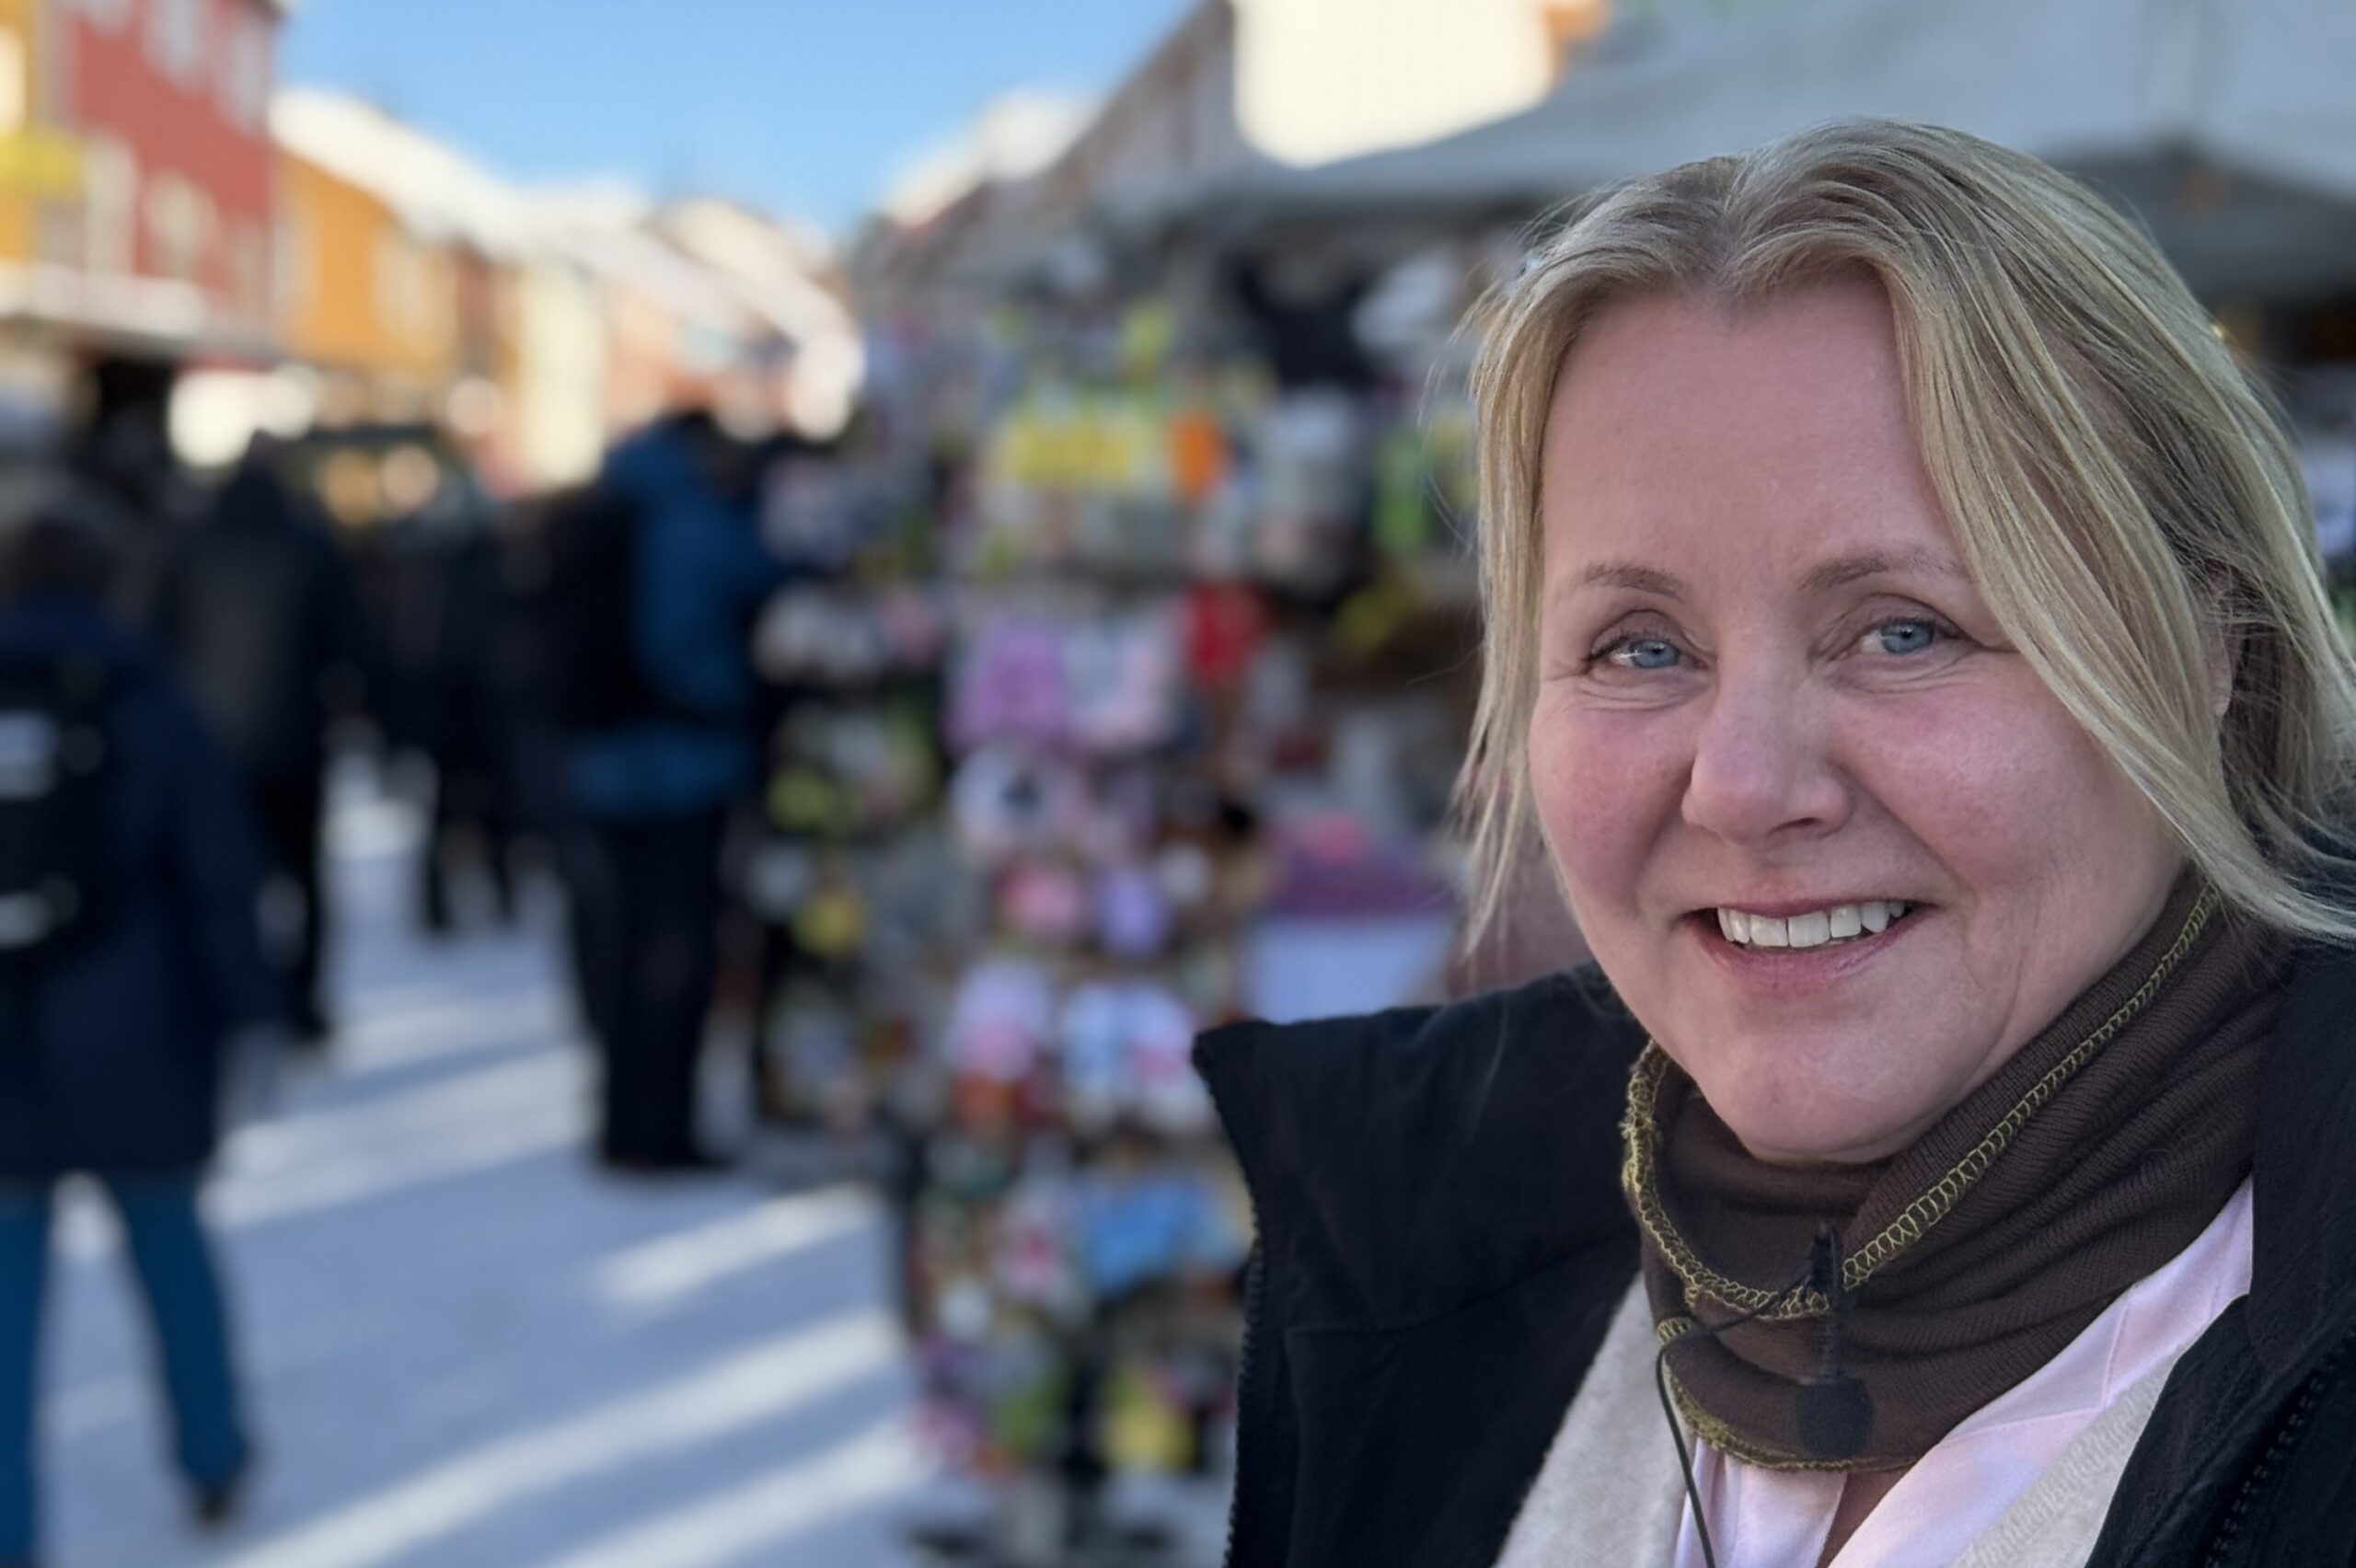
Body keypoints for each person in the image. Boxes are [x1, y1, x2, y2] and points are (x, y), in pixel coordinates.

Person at [1195, 120, 2356, 1568]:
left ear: (2210, 654)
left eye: (1904, 630)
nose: (1741, 789)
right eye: (1639, 647)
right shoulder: (1419, 1283)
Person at [0, 483, 281, 1568]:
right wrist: (251, 1012)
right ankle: (214, 1459)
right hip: (139, 1030)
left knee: (7, 1302)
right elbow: (221, 873)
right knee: (171, 1253)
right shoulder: (151, 697)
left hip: (7, 1042)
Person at [560, 410, 792, 1172]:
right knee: (678, 955)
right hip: (684, 770)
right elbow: (770, 572)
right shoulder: (696, 522)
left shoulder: (609, 505)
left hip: (603, 767)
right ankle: (662, 1129)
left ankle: (622, 1120)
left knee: (623, 952)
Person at [153, 446, 373, 1045]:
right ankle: (301, 1003)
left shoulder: (193, 546)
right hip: (294, 742)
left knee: (219, 877)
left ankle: (235, 999)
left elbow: (157, 639)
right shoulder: (309, 544)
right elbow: (352, 641)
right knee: (303, 879)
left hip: (211, 747)